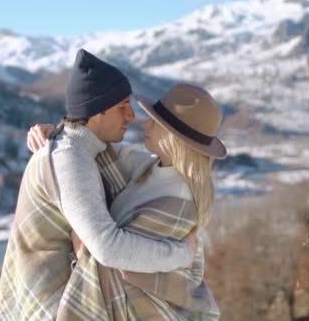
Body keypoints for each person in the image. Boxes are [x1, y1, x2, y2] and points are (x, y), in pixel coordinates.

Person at [0, 49, 197, 320]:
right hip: (48, 305)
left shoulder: (83, 150)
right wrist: (182, 255)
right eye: (122, 107)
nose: (131, 116)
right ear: (95, 112)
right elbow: (107, 248)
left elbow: (152, 166)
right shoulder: (69, 158)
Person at [27, 83, 225, 320]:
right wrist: (57, 133)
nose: (144, 122)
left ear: (173, 138)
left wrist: (84, 249)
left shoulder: (178, 201)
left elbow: (117, 263)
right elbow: (90, 145)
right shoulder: (152, 167)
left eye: (154, 121)